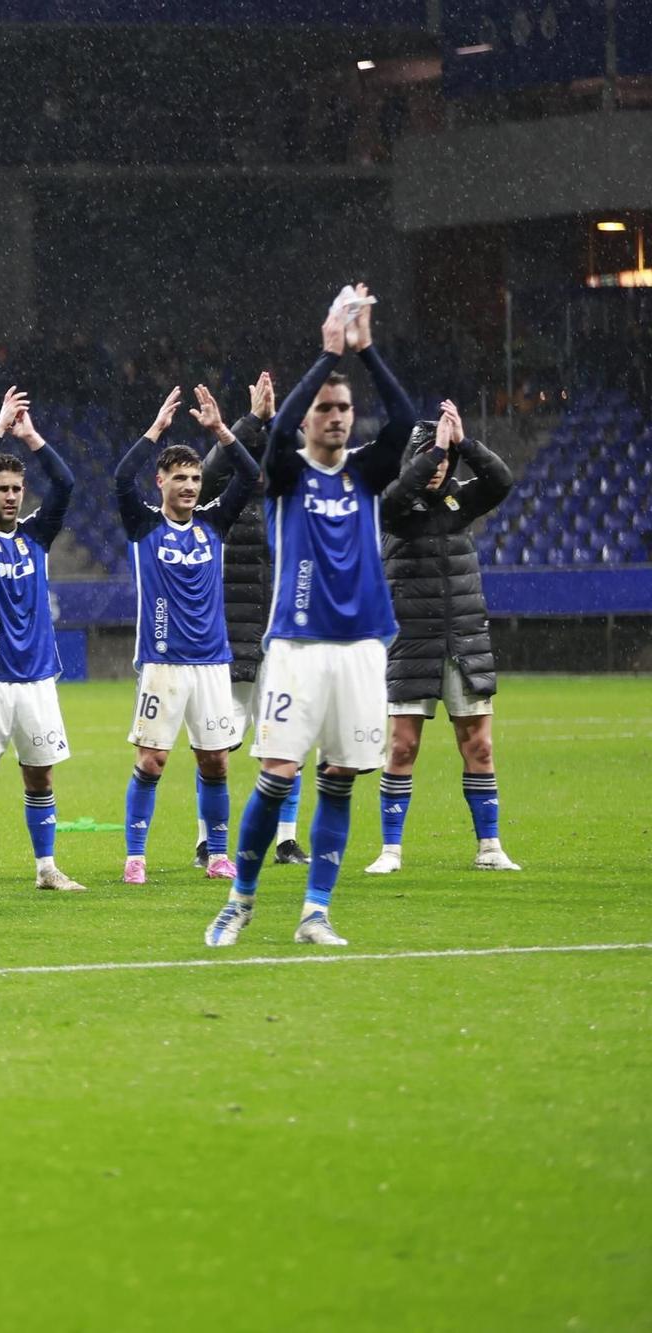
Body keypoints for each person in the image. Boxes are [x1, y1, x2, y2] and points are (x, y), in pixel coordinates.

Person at [204, 291, 414, 949]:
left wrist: (366, 349)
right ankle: (240, 898)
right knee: (278, 774)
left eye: (345, 408)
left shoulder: (368, 474)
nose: (336, 418)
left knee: (340, 776)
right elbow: (269, 442)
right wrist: (324, 356)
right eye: (325, 408)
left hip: (360, 648)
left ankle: (315, 910)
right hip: (296, 646)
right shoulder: (289, 474)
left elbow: (405, 419)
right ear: (307, 421)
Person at [111, 384, 259, 884]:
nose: (191, 486)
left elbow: (251, 475)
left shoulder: (214, 523)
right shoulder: (144, 525)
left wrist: (221, 431)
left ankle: (218, 854)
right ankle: (135, 856)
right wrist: (154, 430)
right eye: (180, 478)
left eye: (196, 478)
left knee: (215, 760)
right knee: (151, 761)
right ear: (162, 482)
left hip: (213, 663)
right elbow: (120, 478)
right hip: (162, 664)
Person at [366, 400, 519, 875]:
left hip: (463, 639)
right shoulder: (391, 506)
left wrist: (464, 444)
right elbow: (396, 496)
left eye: (444, 460)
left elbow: (502, 481)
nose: (438, 469)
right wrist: (433, 452)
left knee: (480, 746)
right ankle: (391, 850)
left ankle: (490, 847)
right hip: (411, 642)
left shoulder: (460, 502)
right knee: (402, 747)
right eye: (429, 459)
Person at [0, 387, 87, 895]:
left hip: (36, 680)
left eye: (16, 489)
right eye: (1, 488)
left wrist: (32, 439)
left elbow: (66, 483)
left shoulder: (36, 537)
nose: (11, 496)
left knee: (41, 778)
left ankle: (47, 869)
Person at [199, 372, 307, 866]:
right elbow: (210, 467)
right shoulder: (224, 502)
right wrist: (250, 422)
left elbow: (314, 462)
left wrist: (278, 422)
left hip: (286, 636)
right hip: (235, 635)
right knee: (216, 745)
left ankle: (285, 838)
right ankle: (208, 840)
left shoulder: (292, 503)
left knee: (289, 738)